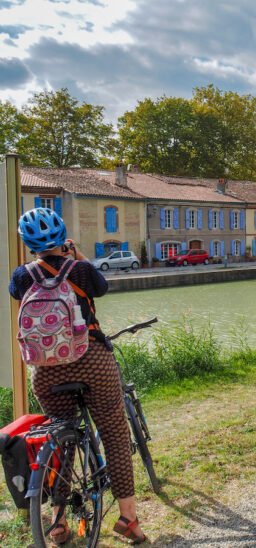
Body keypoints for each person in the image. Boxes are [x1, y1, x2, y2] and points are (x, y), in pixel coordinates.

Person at [8, 208, 147, 545]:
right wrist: (77, 253)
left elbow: (16, 296)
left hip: (47, 371)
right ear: (62, 238)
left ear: (27, 243)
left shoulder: (22, 275)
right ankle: (128, 517)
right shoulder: (81, 269)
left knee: (62, 438)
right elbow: (101, 288)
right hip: (92, 360)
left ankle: (56, 523)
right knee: (113, 434)